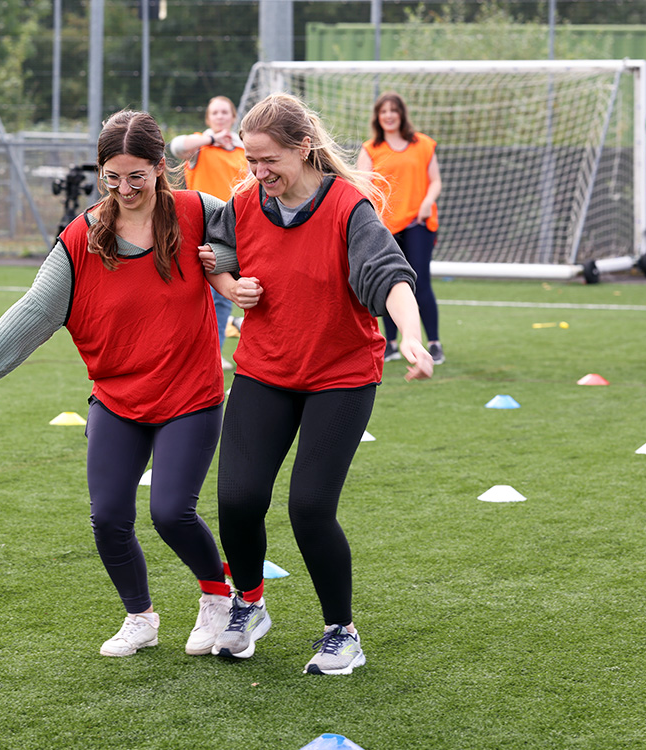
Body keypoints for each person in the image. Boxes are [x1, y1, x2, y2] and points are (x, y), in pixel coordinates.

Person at [0, 110, 248, 659]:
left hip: (189, 394)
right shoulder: (83, 236)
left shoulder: (199, 211)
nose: (126, 188)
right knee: (108, 515)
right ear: (101, 172)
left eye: (137, 175)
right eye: (113, 177)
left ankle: (218, 599)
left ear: (161, 168)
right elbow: (38, 308)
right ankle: (141, 617)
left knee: (170, 511)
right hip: (117, 395)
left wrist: (223, 265)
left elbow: (242, 241)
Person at [200, 93, 434, 676]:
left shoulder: (349, 208)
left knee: (308, 506)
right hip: (265, 368)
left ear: (303, 148)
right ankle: (247, 606)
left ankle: (341, 632)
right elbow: (219, 253)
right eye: (251, 162)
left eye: (268, 160)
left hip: (341, 376)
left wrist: (410, 332)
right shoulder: (245, 201)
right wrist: (232, 285)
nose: (258, 174)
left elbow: (389, 275)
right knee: (237, 498)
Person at [356, 92, 444, 365]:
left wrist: (427, 202)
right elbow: (363, 186)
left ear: (402, 114)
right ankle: (391, 344)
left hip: (418, 223)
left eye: (394, 110)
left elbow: (435, 181)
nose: (389, 115)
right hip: (384, 226)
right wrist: (374, 219)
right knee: (390, 281)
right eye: (384, 111)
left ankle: (433, 344)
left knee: (421, 283)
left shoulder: (423, 144)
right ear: (378, 117)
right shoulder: (370, 148)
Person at [169, 96, 248, 371]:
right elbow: (176, 146)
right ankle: (185, 350)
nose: (220, 116)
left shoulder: (242, 149)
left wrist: (234, 143)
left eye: (225, 112)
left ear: (233, 116)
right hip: (197, 227)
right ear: (208, 118)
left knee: (223, 294)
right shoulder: (200, 145)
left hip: (231, 231)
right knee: (189, 290)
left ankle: (212, 352)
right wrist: (210, 138)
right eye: (214, 112)